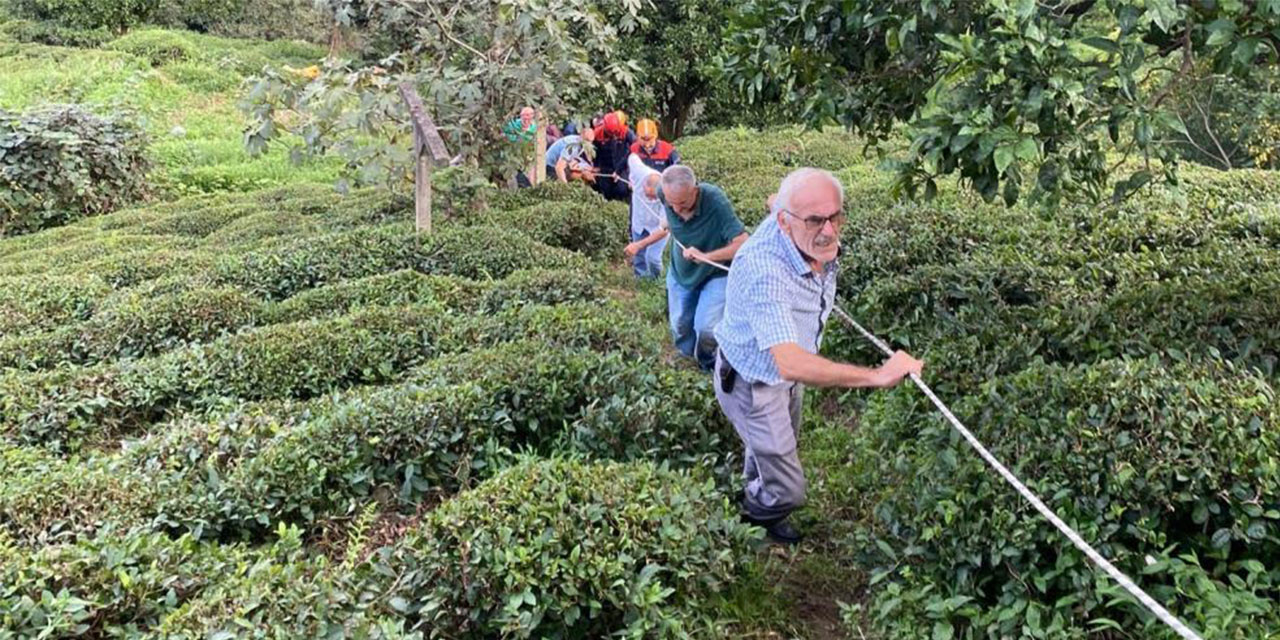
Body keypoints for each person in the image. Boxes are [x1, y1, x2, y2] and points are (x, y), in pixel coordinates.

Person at [714, 168, 924, 545]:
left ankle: (761, 498)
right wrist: (878, 375)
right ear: (785, 221)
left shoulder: (790, 221)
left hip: (787, 378)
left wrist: (796, 209)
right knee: (791, 487)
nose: (828, 231)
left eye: (835, 216)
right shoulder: (766, 272)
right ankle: (749, 512)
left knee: (774, 450)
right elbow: (789, 362)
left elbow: (780, 206)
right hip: (754, 381)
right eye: (814, 220)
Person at [639, 165, 748, 369]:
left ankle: (707, 363)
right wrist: (667, 220)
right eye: (672, 205)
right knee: (680, 323)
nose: (677, 210)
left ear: (695, 191)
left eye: (682, 203)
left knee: (706, 328)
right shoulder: (664, 192)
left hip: (715, 272)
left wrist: (706, 256)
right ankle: (686, 355)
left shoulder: (715, 201)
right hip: (682, 272)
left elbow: (742, 242)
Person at [623, 153, 667, 278]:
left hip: (657, 227)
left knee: (652, 258)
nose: (652, 199)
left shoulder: (668, 194)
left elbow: (664, 230)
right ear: (644, 184)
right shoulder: (639, 172)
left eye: (654, 197)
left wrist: (638, 244)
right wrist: (631, 179)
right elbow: (632, 156)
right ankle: (641, 280)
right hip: (639, 221)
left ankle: (655, 281)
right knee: (639, 257)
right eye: (649, 195)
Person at [591, 112, 635, 202]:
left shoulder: (626, 132)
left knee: (622, 190)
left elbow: (636, 146)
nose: (614, 136)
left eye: (615, 133)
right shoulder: (597, 133)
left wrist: (623, 166)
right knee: (606, 191)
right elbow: (593, 150)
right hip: (605, 166)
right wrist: (595, 166)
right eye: (611, 134)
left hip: (622, 165)